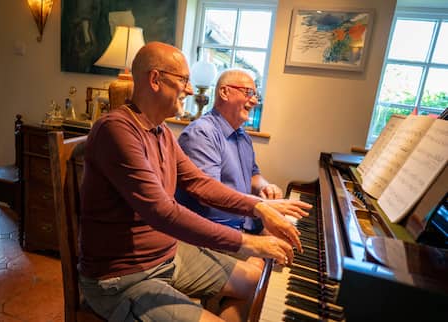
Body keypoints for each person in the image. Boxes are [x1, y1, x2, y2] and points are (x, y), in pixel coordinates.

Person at [78, 41, 312, 322]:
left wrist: (259, 208)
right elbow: (162, 213)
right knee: (255, 270)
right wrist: (247, 242)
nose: (190, 89)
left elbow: (200, 182)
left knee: (257, 281)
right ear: (155, 79)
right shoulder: (116, 130)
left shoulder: (161, 131)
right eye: (184, 80)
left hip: (167, 254)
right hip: (123, 277)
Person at [177, 69, 286, 237]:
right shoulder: (201, 134)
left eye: (256, 95)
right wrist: (261, 205)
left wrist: (265, 186)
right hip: (215, 233)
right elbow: (209, 195)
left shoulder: (243, 136)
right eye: (249, 92)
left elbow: (253, 175)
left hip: (246, 223)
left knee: (289, 243)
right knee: (266, 259)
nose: (255, 101)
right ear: (225, 92)